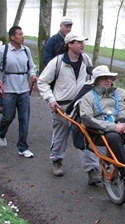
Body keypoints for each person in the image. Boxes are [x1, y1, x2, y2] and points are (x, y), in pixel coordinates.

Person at [37, 32, 94, 178]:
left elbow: (92, 79)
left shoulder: (86, 60)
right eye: (78, 42)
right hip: (61, 106)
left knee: (86, 136)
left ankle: (92, 170)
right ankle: (56, 161)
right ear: (69, 44)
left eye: (83, 42)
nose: (82, 45)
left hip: (82, 106)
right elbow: (42, 81)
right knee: (60, 136)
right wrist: (50, 99)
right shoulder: (57, 62)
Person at [0, 25, 37, 158]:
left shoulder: (26, 51)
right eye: (20, 34)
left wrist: (33, 75)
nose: (23, 36)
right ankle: (1, 132)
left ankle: (23, 147)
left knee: (24, 118)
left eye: (22, 33)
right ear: (12, 37)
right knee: (8, 116)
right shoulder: (3, 50)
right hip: (8, 89)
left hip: (23, 89)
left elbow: (31, 67)